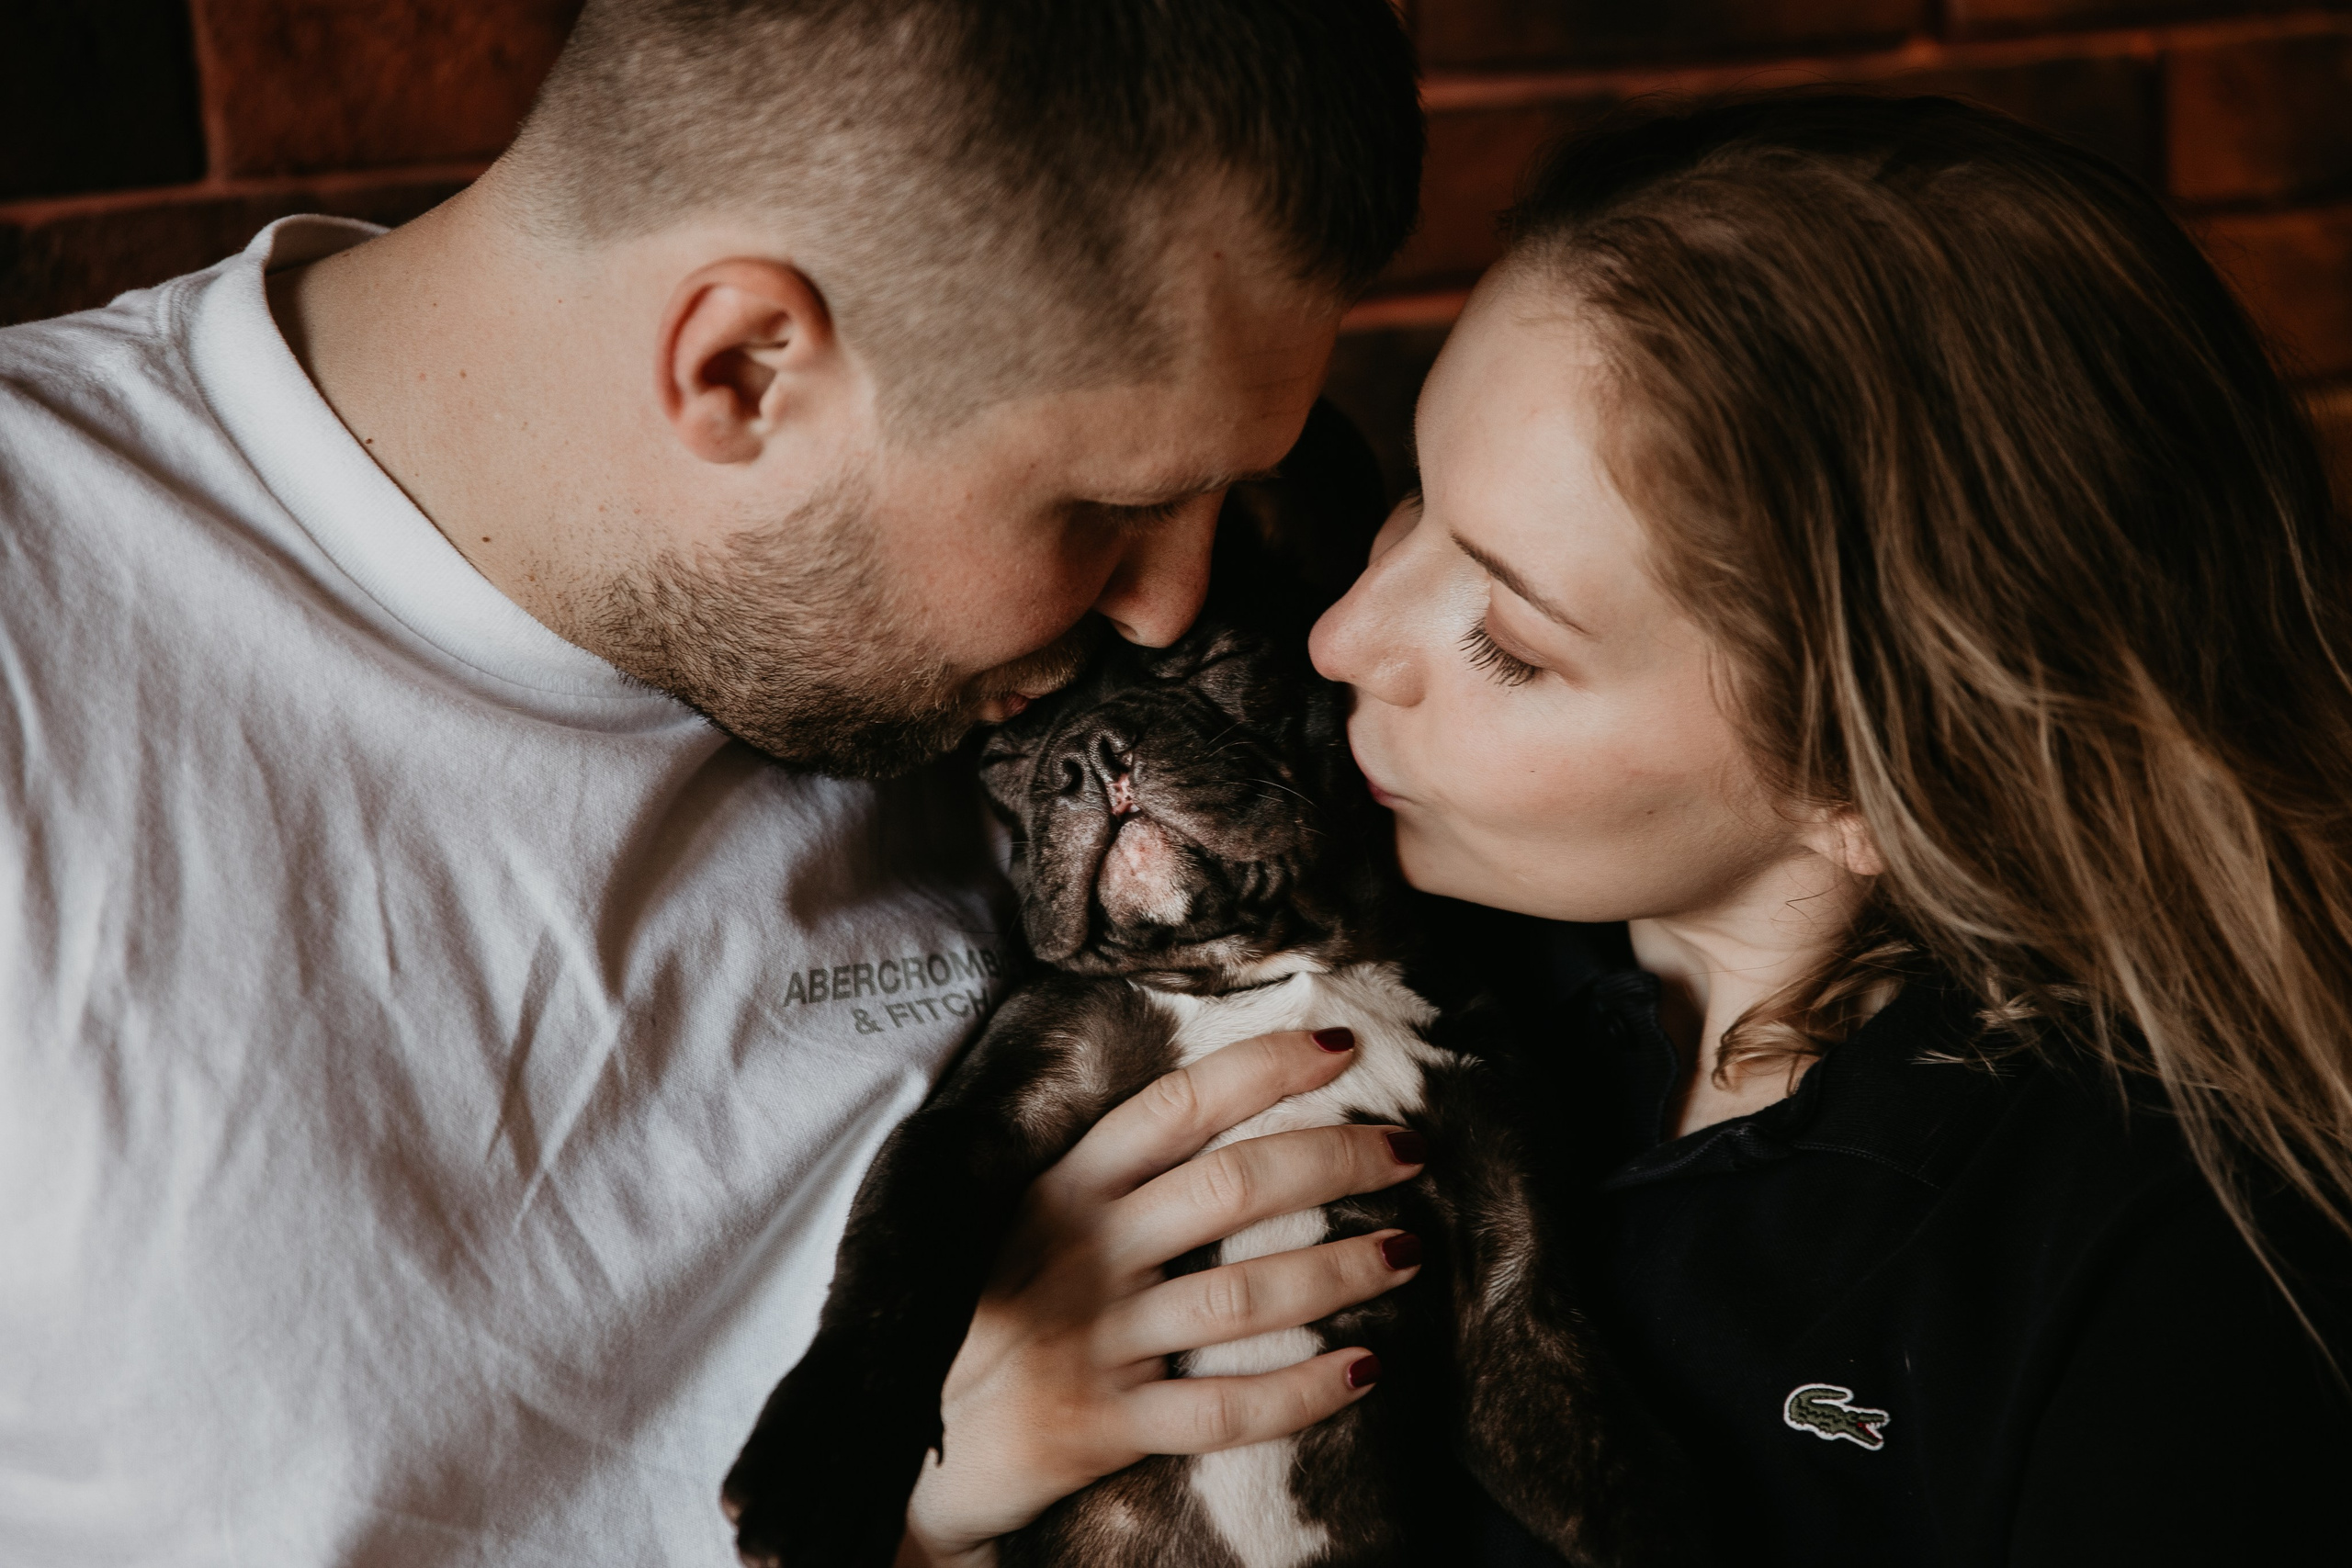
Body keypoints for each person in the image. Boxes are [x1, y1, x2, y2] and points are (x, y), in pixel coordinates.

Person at [0, 4, 1424, 1563]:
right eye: (1105, 505)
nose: (1165, 610)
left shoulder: (977, 676)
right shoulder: (46, 645)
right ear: (742, 369)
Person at [897, 96, 2352, 1565]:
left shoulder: (2175, 1273)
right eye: (1416, 503)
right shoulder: (1387, 936)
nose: (1344, 635)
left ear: (1877, 784)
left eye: (1511, 644)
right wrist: (946, 1486)